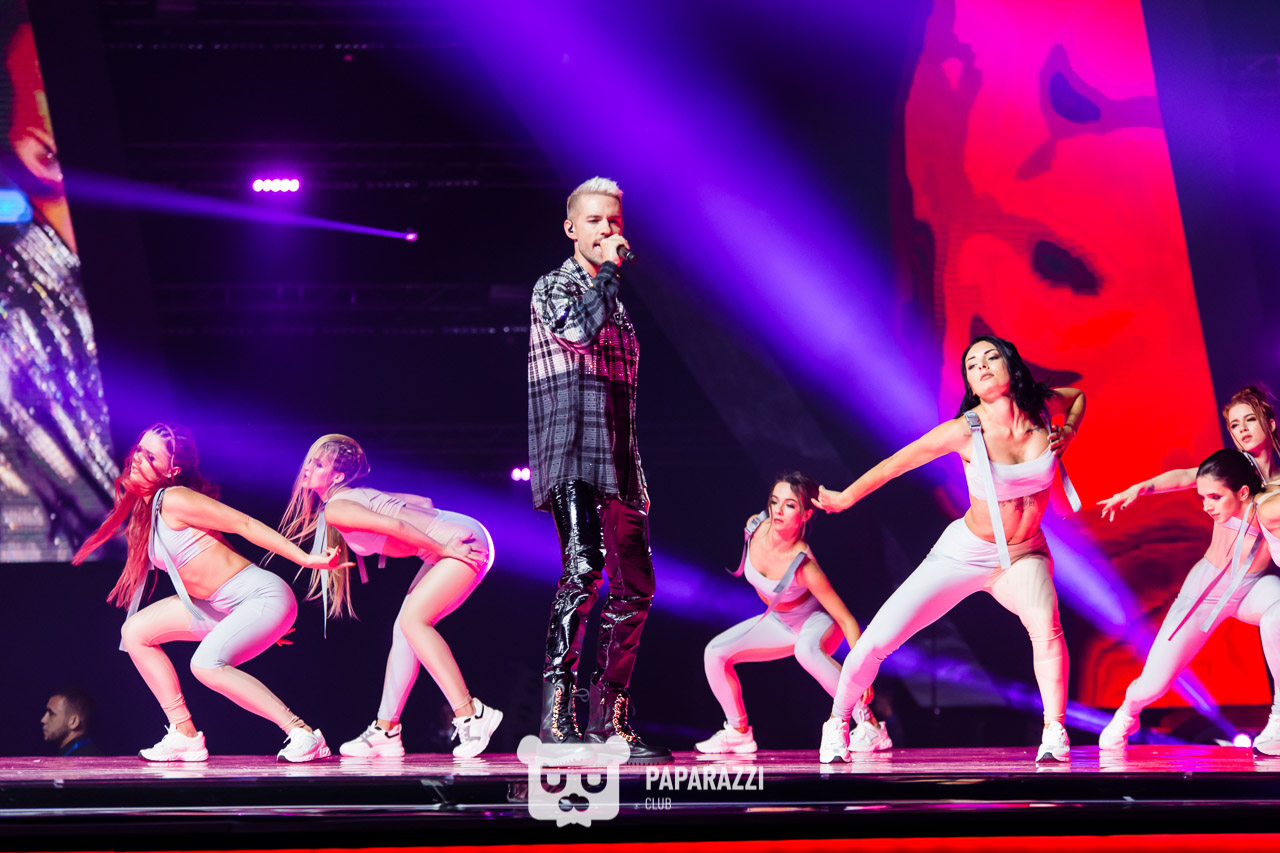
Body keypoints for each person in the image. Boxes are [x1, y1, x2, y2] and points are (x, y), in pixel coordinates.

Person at [815, 335, 1085, 763]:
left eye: (990, 357)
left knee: (1046, 624)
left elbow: (1078, 397)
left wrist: (1068, 430)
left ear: (1010, 366)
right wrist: (846, 497)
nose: (982, 366)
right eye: (972, 364)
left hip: (1024, 554)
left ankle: (1054, 732)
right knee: (878, 640)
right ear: (970, 384)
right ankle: (839, 722)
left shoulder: (1038, 408)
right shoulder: (965, 430)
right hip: (966, 553)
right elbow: (896, 464)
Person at [72, 423, 346, 762]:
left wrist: (305, 558)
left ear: (172, 471)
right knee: (134, 632)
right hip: (224, 606)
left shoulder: (174, 498)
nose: (138, 458)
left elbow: (243, 524)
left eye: (151, 456)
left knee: (205, 664)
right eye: (139, 450)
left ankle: (302, 733)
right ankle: (184, 734)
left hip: (262, 597)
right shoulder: (151, 507)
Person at [526, 176, 669, 764]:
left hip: (619, 461)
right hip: (571, 451)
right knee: (584, 569)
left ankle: (610, 720)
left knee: (636, 587)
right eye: (595, 221)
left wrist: (636, 472)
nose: (608, 230)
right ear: (571, 228)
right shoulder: (554, 286)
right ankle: (557, 715)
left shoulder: (617, 305)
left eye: (614, 222)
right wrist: (609, 271)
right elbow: (579, 333)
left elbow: (623, 398)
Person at [278, 434, 499, 759]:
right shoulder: (355, 495)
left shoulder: (337, 508)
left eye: (319, 464)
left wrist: (441, 546)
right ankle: (386, 730)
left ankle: (471, 713)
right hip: (460, 535)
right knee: (404, 628)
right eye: (310, 461)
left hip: (461, 544)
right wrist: (433, 541)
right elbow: (424, 503)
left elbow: (397, 525)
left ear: (337, 477)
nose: (308, 468)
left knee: (414, 622)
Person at [696, 473, 890, 754]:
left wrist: (863, 673)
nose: (778, 510)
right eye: (775, 501)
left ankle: (870, 726)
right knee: (714, 653)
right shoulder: (754, 527)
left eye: (789, 505)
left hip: (817, 622)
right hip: (780, 622)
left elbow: (846, 620)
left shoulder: (803, 566)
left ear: (805, 515)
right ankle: (738, 733)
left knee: (805, 651)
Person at [1097, 449, 1277, 750]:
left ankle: (1279, 719)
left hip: (1253, 588)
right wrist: (1138, 489)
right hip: (1204, 594)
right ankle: (1128, 711)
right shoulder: (1231, 470)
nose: (1206, 506)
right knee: (1153, 686)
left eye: (1214, 498)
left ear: (1243, 492)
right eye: (1203, 497)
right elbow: (1183, 476)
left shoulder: (1269, 501)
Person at [42, 688, 103, 757]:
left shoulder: (84, 759)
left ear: (73, 722)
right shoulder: (80, 754)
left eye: (51, 714)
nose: (43, 720)